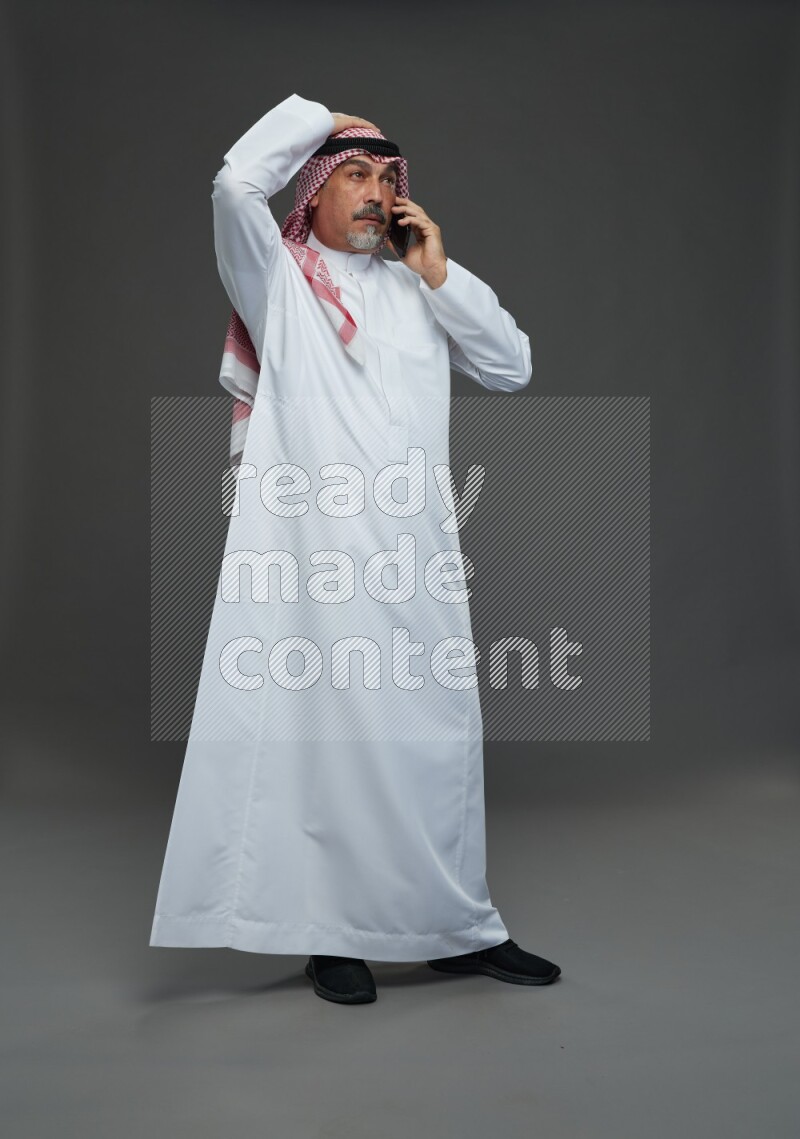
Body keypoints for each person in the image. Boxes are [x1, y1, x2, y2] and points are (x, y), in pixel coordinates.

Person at [149, 93, 561, 1005]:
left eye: (385, 178)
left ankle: (455, 927)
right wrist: (311, 116)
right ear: (315, 192)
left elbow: (511, 365)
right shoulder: (279, 280)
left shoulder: (420, 284)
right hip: (313, 564)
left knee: (433, 741)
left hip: (414, 556)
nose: (375, 195)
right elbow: (232, 186)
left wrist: (443, 274)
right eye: (354, 176)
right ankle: (329, 931)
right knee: (323, 745)